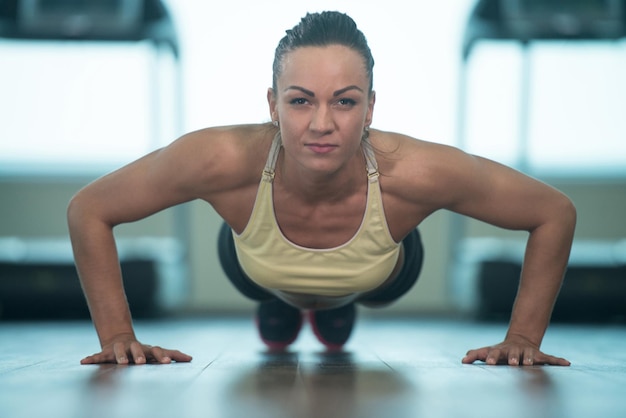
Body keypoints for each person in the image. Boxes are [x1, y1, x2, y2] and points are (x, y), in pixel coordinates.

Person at [67, 11, 576, 366]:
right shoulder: (220, 158)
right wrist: (117, 338)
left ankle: (331, 302)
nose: (322, 124)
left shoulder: (416, 171)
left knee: (367, 288)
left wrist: (523, 339)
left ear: (371, 108)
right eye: (301, 101)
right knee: (265, 275)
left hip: (377, 274)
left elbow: (553, 212)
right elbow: (89, 208)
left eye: (346, 102)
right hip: (256, 266)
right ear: (272, 105)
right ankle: (285, 302)